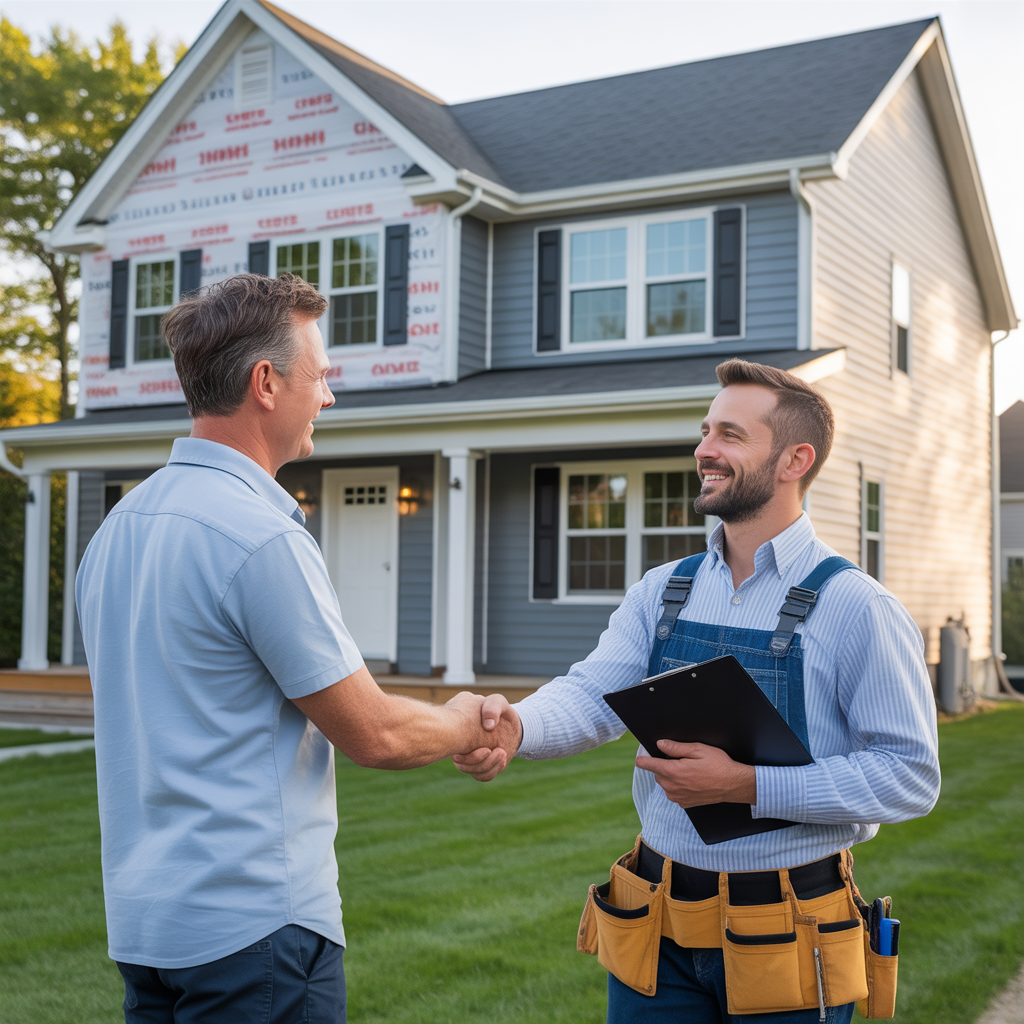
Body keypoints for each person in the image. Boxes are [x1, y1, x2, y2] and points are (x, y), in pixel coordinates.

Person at [76, 273, 518, 1024]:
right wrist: (471, 718)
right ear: (266, 383)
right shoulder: (260, 537)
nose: (330, 396)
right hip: (255, 934)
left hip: (148, 931)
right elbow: (371, 731)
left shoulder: (119, 529)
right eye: (320, 376)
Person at [455, 359, 940, 1023]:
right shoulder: (664, 589)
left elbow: (910, 775)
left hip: (791, 932)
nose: (703, 449)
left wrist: (747, 784)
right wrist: (514, 726)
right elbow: (593, 694)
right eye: (705, 430)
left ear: (796, 459)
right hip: (656, 921)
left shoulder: (857, 609)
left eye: (730, 435)